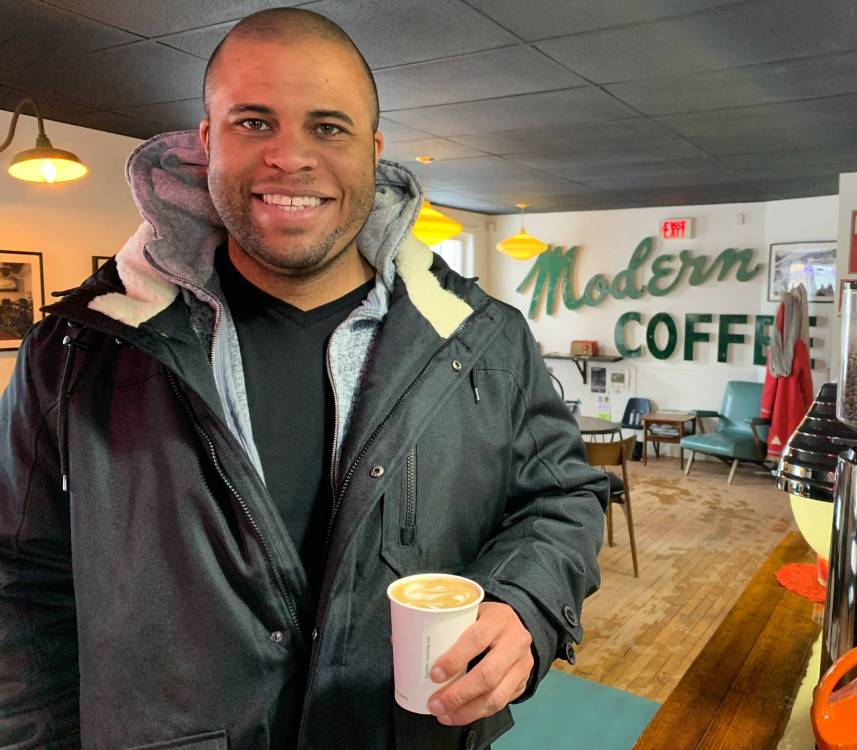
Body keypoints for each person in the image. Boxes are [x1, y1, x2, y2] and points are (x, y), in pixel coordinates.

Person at [0, 9, 608, 749]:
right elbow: (18, 585)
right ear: (207, 140)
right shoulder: (77, 352)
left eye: (328, 127)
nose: (290, 157)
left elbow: (561, 498)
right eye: (254, 122)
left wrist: (524, 604)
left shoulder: (486, 338)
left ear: (373, 152)